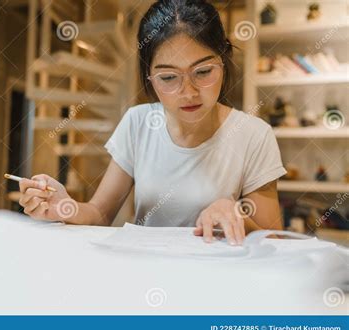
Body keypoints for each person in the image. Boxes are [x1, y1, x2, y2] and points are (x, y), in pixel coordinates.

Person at [19, 0, 287, 246]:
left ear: (224, 61)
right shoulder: (138, 123)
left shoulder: (253, 135)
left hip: (215, 280)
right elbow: (100, 213)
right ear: (148, 76)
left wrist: (239, 216)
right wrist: (64, 206)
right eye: (169, 78)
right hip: (145, 275)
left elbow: (274, 240)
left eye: (203, 72)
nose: (188, 92)